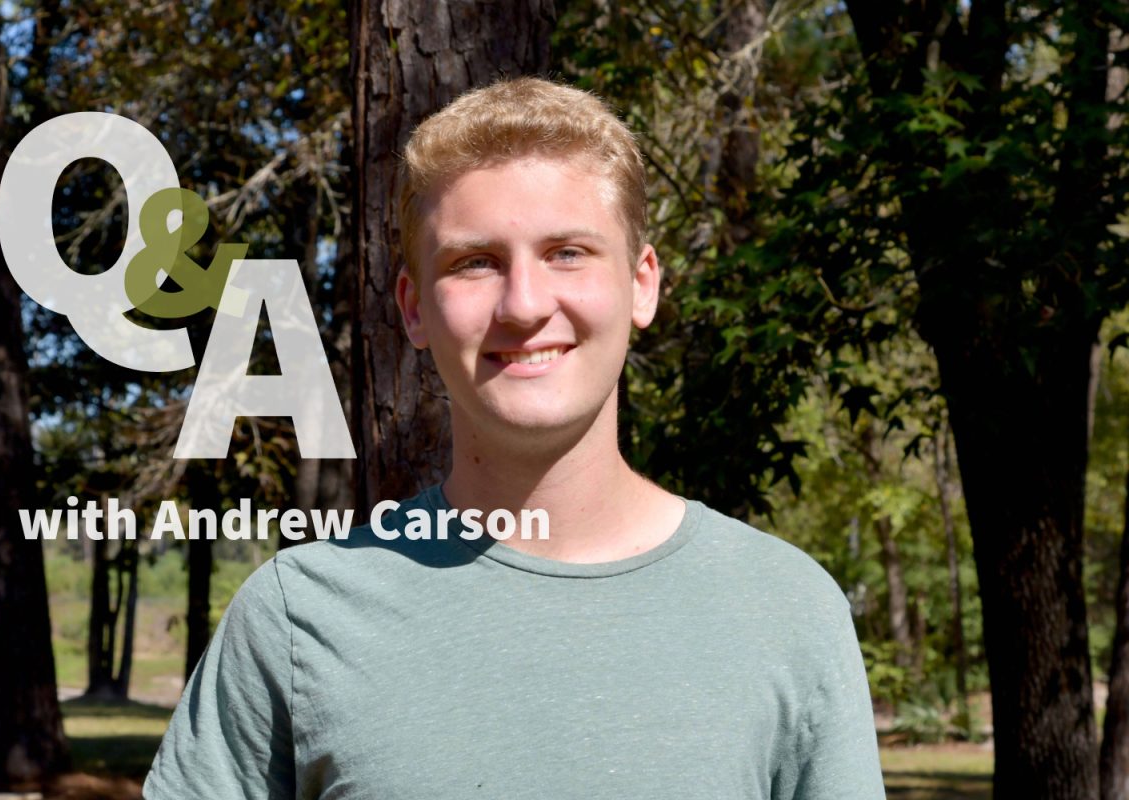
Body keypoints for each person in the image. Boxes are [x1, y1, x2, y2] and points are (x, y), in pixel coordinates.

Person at [143, 77, 886, 799]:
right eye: (475, 263)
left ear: (642, 284)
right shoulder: (297, 618)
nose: (525, 305)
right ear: (414, 310)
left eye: (567, 252)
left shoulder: (787, 611)